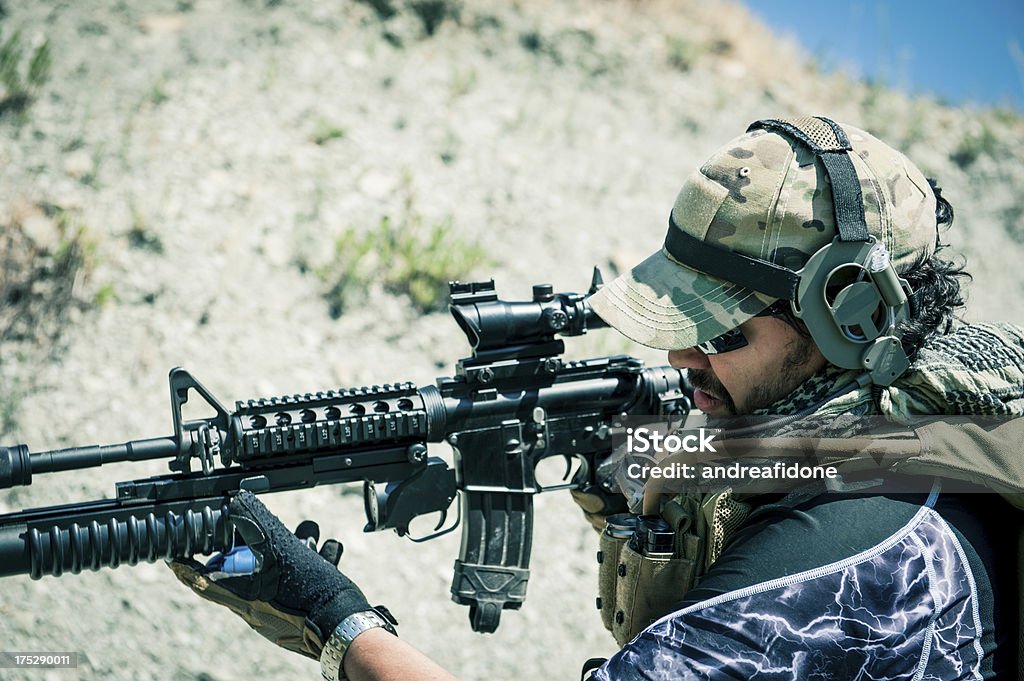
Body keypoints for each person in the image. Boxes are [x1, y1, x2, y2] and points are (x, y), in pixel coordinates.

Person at [171, 117, 1023, 680]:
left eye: (721, 330)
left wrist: (335, 621)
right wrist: (610, 469)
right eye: (680, 317)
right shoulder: (922, 432)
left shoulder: (831, 558)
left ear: (851, 317)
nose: (682, 353)